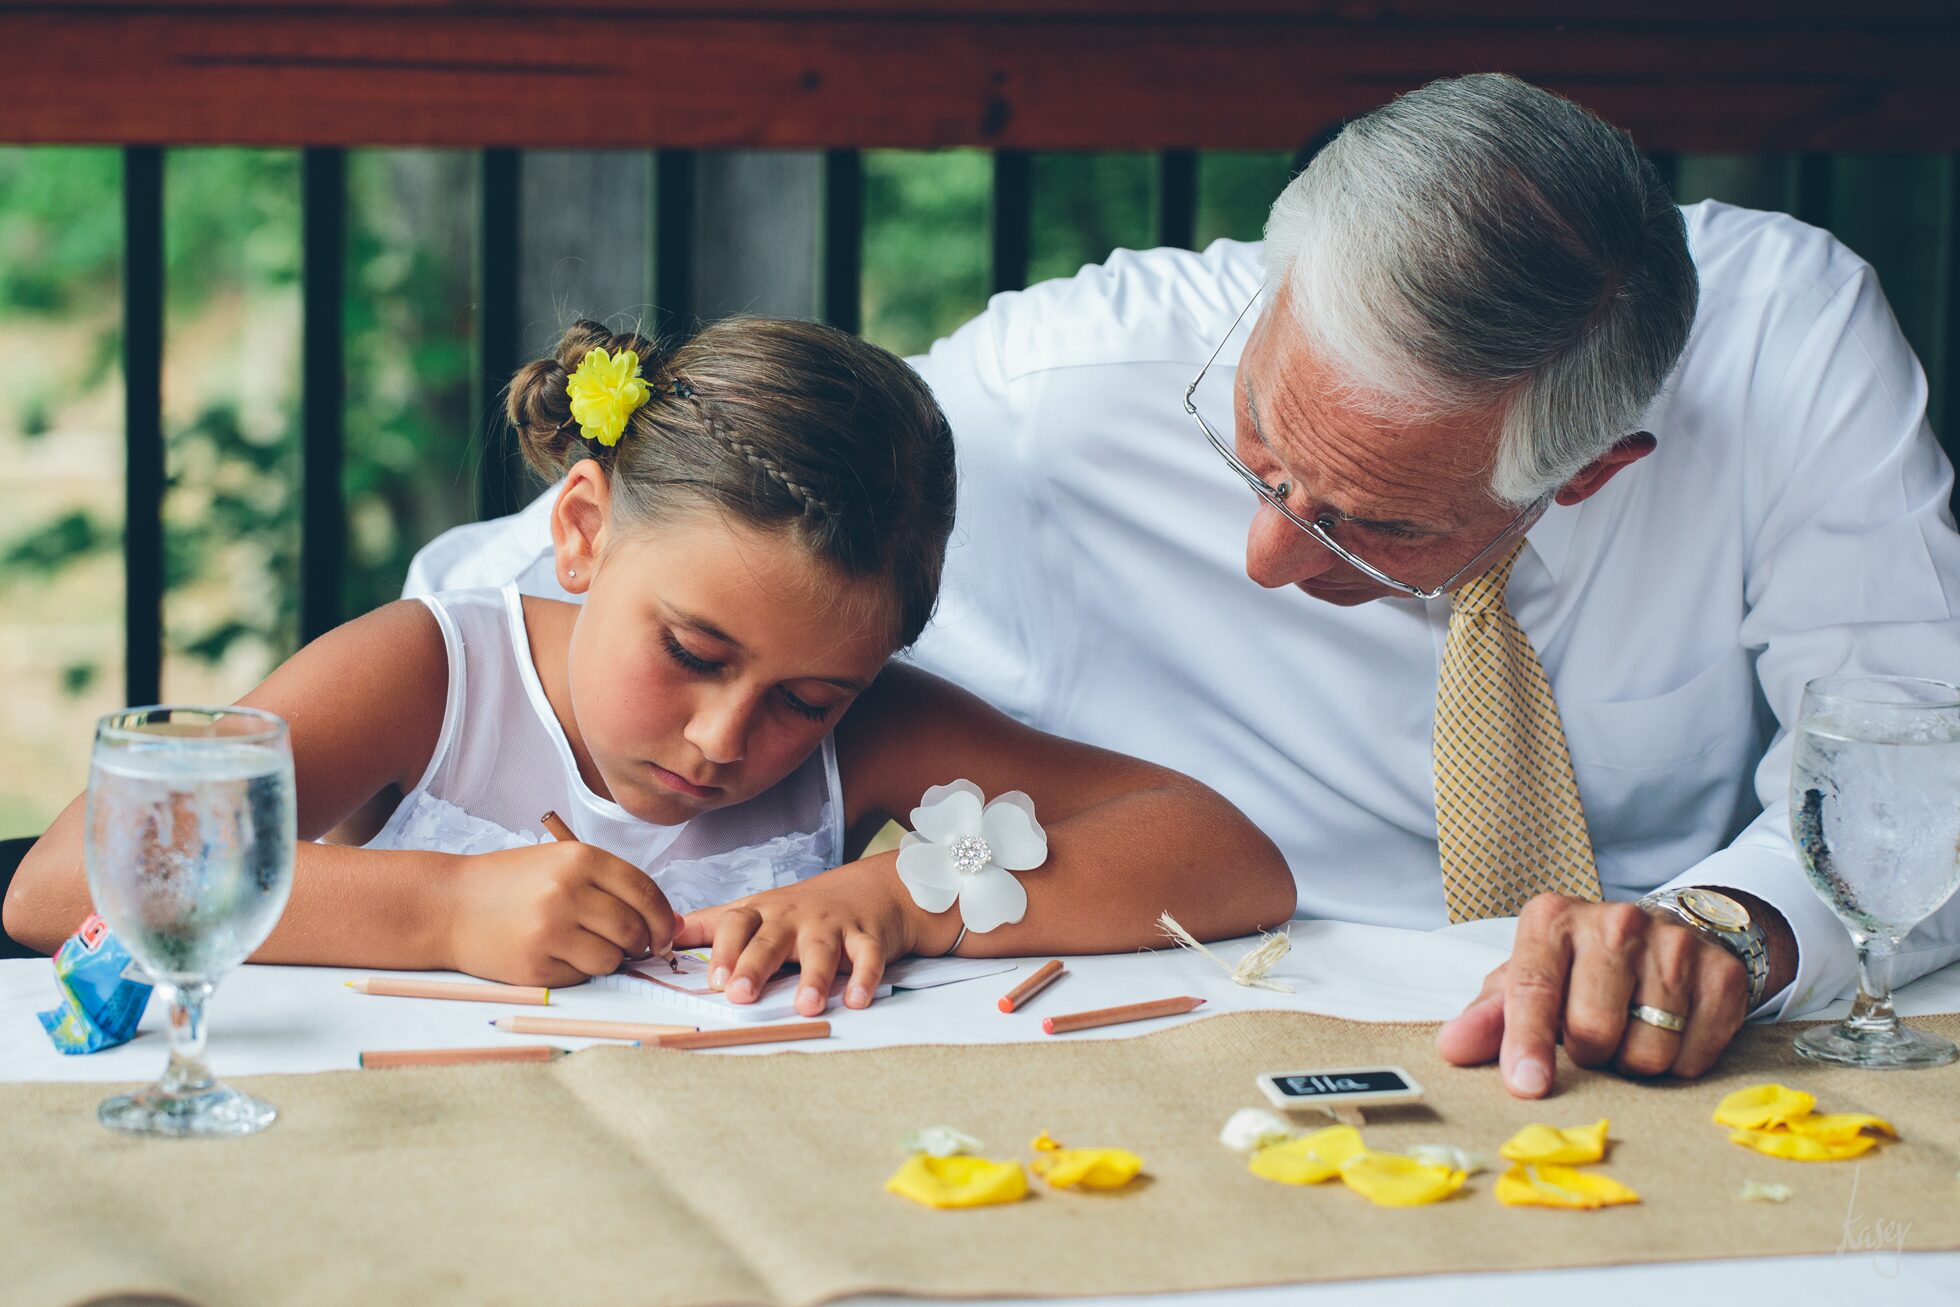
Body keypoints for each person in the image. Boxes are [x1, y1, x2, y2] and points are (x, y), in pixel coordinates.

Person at [401, 74, 1960, 1096]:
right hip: (1184, 1045)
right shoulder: (1062, 387)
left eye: (1372, 530)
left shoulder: (1785, 355)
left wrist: (1738, 927)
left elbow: (1929, 749)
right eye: (1261, 449)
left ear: (1598, 470)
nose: (1269, 552)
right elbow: (549, 599)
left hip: (1672, 1073)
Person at [3, 318, 1296, 1016]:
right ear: (580, 532)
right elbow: (64, 886)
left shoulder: (874, 734)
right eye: (692, 652)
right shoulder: (433, 673)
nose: (731, 736)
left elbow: (1227, 854)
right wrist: (446, 912)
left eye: (806, 698)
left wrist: (907, 896)